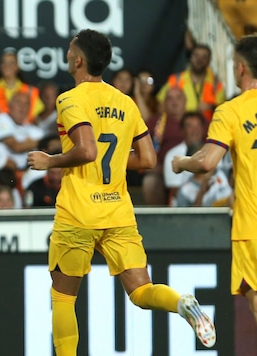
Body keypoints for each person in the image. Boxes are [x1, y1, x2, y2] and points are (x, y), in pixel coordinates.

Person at [26, 29, 216, 355]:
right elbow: (148, 158)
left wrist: (50, 159)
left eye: (70, 50)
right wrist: (110, 162)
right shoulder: (124, 102)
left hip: (79, 212)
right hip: (117, 209)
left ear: (79, 59)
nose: (68, 54)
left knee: (63, 297)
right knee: (142, 291)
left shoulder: (70, 98)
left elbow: (86, 151)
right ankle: (182, 302)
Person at [172, 34, 257, 326]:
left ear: (241, 68)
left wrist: (182, 162)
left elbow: (207, 161)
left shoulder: (231, 110)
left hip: (252, 224)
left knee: (254, 293)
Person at [156, 43, 225, 121]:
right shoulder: (176, 79)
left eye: (204, 57)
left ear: (209, 60)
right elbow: (161, 104)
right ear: (190, 57)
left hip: (206, 128)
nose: (199, 60)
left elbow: (223, 110)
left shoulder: (216, 84)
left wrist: (210, 107)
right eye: (196, 55)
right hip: (179, 126)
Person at [0, 47, 43, 123]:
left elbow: (36, 119)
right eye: (4, 62)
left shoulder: (32, 91)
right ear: (0, 66)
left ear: (17, 67)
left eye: (11, 63)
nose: (7, 66)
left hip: (24, 132)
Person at [163, 111, 207, 204]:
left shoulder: (211, 151)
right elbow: (175, 191)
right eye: (189, 126)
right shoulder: (172, 155)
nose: (194, 130)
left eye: (197, 126)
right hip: (183, 207)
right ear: (182, 130)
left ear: (203, 129)